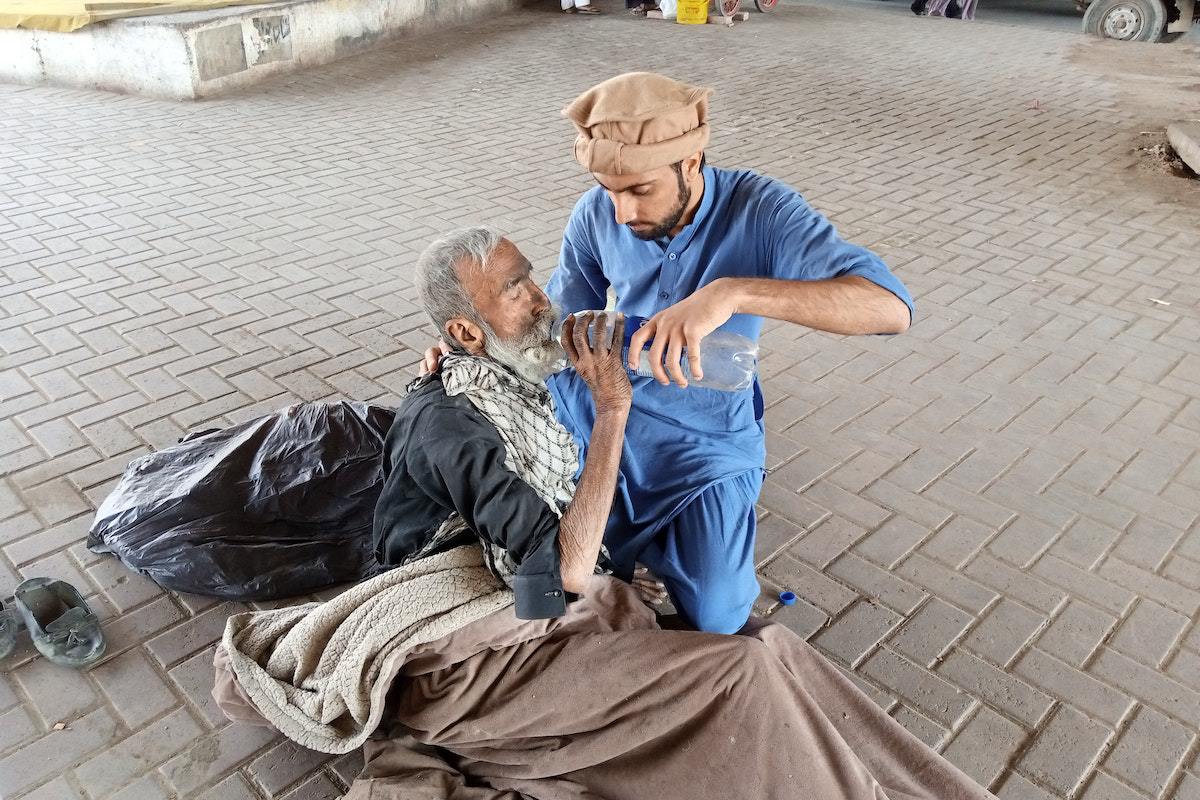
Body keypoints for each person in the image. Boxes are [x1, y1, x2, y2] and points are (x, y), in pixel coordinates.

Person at [211, 228, 993, 800]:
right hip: (462, 659)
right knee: (739, 675)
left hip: (525, 608)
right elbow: (557, 580)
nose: (541, 299)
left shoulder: (505, 377)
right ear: (465, 331)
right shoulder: (454, 421)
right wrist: (613, 409)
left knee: (771, 648)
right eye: (514, 291)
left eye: (531, 278)